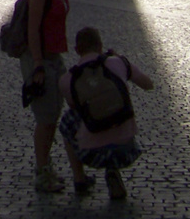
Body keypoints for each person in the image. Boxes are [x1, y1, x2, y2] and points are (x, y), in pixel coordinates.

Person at [21, 0, 87, 194]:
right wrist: (37, 64)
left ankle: (47, 168)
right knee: (46, 119)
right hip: (40, 59)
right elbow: (32, 29)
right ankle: (41, 172)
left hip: (54, 57)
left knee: (53, 113)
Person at [58, 26, 155, 200]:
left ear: (77, 50)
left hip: (92, 155)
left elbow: (76, 107)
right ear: (100, 45)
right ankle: (113, 169)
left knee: (68, 120)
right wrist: (120, 60)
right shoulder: (118, 63)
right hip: (127, 151)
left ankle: (79, 179)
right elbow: (149, 85)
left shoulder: (68, 80)